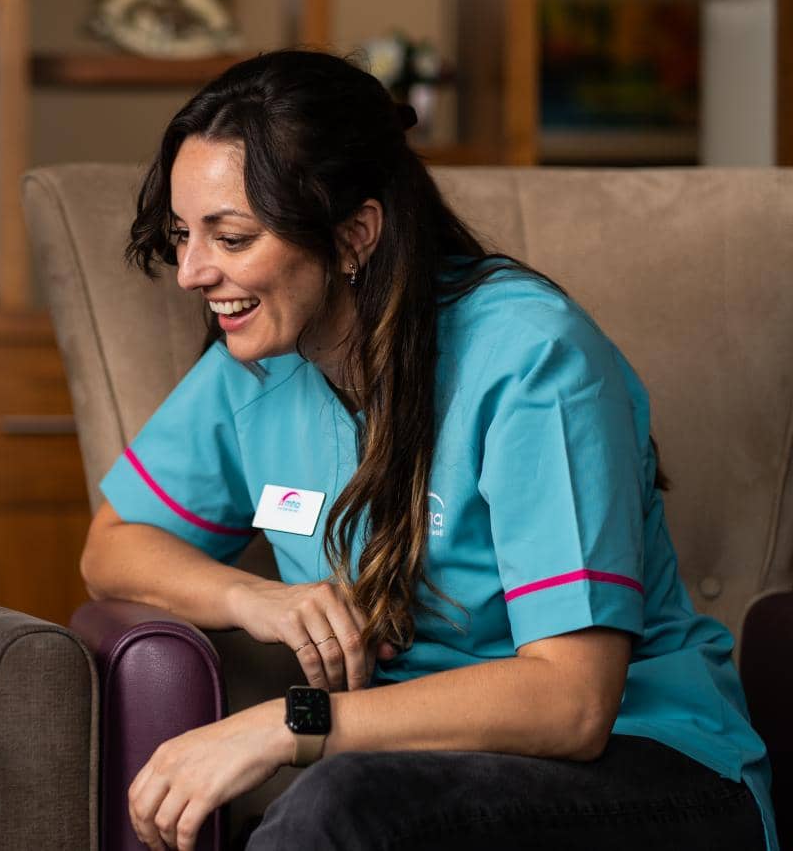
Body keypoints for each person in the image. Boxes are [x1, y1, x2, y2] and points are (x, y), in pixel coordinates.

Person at [81, 49, 776, 851]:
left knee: (338, 806)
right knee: (344, 801)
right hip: (413, 770)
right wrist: (254, 599)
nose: (193, 273)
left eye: (231, 237)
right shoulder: (256, 362)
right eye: (182, 236)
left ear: (354, 236)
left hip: (654, 767)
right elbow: (113, 547)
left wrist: (288, 723)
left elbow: (574, 703)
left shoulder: (533, 359)